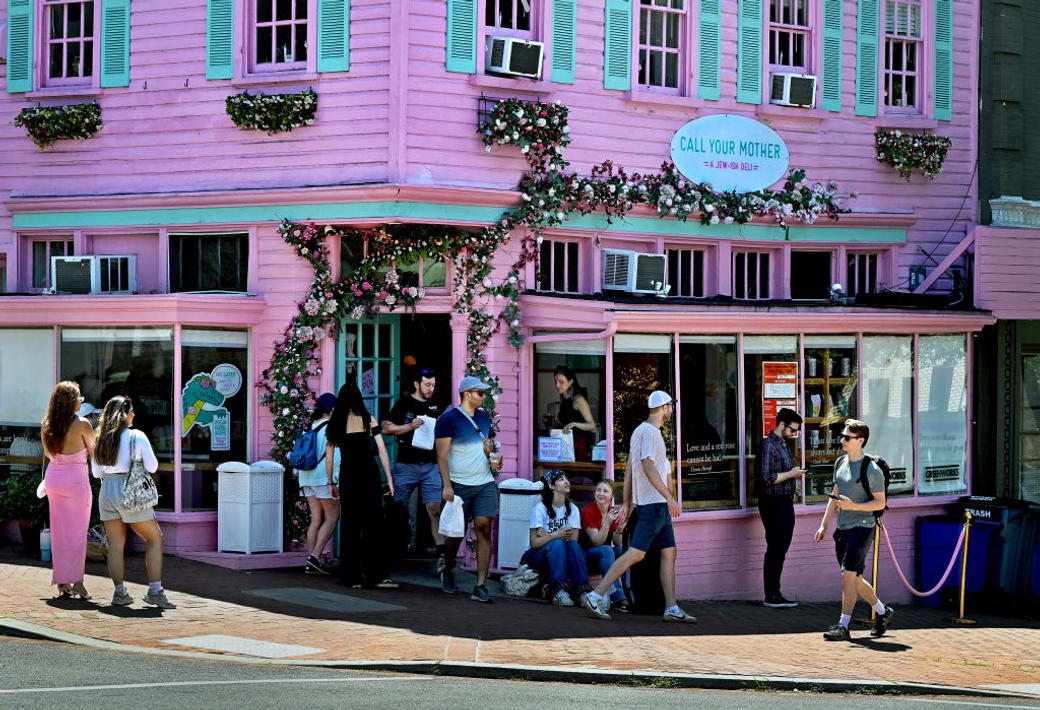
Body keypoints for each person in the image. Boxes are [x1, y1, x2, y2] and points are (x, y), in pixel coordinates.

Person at [580, 390, 697, 623]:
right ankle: (595, 595)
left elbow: (631, 468)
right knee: (636, 553)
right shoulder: (651, 433)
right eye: (670, 406)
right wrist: (669, 497)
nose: (672, 410)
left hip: (655, 506)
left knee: (669, 552)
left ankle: (671, 608)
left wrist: (627, 502)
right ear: (664, 408)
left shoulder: (640, 432)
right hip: (653, 505)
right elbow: (646, 465)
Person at [91, 395, 176, 609]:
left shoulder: (100, 438)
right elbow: (153, 466)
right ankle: (155, 591)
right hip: (131, 491)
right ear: (125, 414)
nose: (134, 414)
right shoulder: (136, 436)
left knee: (115, 545)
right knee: (155, 539)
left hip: (107, 490)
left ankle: (120, 593)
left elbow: (95, 472)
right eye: (132, 411)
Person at [814, 418, 895, 641]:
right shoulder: (840, 463)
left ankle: (843, 625)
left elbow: (880, 503)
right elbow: (835, 495)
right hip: (843, 527)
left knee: (847, 575)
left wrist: (853, 506)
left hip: (864, 526)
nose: (842, 440)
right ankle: (882, 611)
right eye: (842, 436)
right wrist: (824, 524)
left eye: (847, 437)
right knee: (855, 578)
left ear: (860, 441)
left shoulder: (872, 470)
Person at [326, 381, 397, 589]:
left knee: (350, 525)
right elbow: (382, 451)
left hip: (349, 476)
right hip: (369, 474)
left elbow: (329, 458)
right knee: (374, 524)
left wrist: (331, 481)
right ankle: (377, 575)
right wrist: (390, 479)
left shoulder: (335, 423)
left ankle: (352, 577)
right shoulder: (369, 419)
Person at [436, 375, 501, 603]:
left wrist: (494, 459)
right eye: (480, 392)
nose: (483, 396)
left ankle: (480, 585)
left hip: (484, 482)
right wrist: (446, 485)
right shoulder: (448, 419)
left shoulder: (484, 419)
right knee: (456, 533)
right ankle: (449, 564)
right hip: (458, 484)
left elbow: (488, 446)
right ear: (466, 394)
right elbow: (441, 455)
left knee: (484, 527)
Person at [382, 368, 445, 571]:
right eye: (427, 384)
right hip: (406, 464)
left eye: (433, 384)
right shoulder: (404, 403)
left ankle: (442, 555)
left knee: (434, 508)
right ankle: (387, 551)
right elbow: (387, 428)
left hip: (430, 465)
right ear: (417, 384)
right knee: (396, 507)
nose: (431, 388)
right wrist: (409, 427)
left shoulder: (438, 405)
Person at [40, 381, 94, 600]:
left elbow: (48, 455)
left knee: (60, 532)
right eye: (79, 398)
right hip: (75, 480)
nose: (81, 401)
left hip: (54, 478)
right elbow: (93, 450)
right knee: (78, 534)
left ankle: (63, 582)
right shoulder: (82, 424)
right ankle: (78, 582)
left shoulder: (46, 425)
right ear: (72, 402)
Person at [757, 407, 806, 609]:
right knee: (776, 547)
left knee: (781, 548)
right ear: (782, 425)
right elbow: (767, 477)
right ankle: (771, 595)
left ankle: (775, 592)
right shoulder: (769, 445)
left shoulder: (783, 444)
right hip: (773, 502)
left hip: (785, 501)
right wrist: (792, 474)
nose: (794, 434)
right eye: (792, 430)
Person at [520, 470, 589, 606]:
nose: (566, 481)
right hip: (535, 556)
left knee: (572, 546)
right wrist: (556, 535)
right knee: (557, 543)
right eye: (561, 479)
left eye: (566, 479)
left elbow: (573, 540)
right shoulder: (540, 509)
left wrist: (547, 535)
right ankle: (557, 591)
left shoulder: (573, 509)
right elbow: (534, 543)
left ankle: (583, 591)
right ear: (551, 486)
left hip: (559, 554)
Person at [298, 392, 341, 576]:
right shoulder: (332, 427)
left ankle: (311, 560)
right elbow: (334, 458)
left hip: (306, 476)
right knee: (332, 518)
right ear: (332, 409)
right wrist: (334, 480)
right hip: (324, 477)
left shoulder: (311, 426)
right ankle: (315, 557)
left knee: (315, 518)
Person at [580, 480, 629, 612]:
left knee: (622, 551)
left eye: (605, 491)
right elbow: (597, 541)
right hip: (586, 555)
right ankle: (618, 597)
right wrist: (606, 523)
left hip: (605, 556)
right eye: (598, 490)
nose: (601, 493)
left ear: (612, 496)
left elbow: (617, 542)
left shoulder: (611, 511)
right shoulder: (588, 511)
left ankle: (629, 595)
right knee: (607, 550)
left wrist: (619, 530)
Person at [553, 365, 597, 461]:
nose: (557, 385)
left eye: (561, 382)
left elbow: (592, 425)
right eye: (555, 381)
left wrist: (575, 424)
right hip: (566, 446)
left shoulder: (578, 399)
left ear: (570, 382)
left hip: (579, 446)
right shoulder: (564, 399)